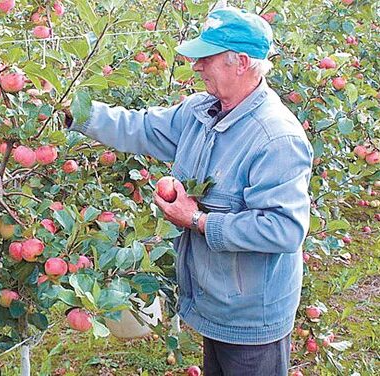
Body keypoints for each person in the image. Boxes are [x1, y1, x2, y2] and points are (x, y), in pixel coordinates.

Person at [67, 7, 313, 375]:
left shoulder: (275, 138)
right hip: (216, 301)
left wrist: (197, 219)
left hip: (251, 318)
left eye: (206, 58)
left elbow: (284, 229)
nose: (196, 66)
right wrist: (75, 112)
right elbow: (142, 128)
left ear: (241, 63)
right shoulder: (201, 111)